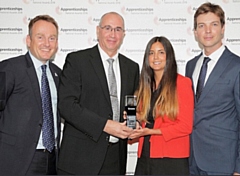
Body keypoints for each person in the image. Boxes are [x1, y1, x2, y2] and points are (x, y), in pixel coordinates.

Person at [57, 12, 140, 175]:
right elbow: (66, 106)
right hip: (80, 159)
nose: (112, 34)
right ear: (98, 30)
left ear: (123, 34)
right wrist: (106, 125)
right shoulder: (77, 60)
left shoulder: (132, 67)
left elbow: (130, 104)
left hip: (115, 159)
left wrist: (132, 123)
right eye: (107, 28)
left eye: (118, 29)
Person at [0, 15, 61, 175]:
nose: (47, 43)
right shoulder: (9, 68)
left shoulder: (58, 74)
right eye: (40, 37)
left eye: (52, 38)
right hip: (16, 160)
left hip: (52, 159)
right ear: (28, 40)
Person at [185, 2, 240, 175]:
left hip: (224, 162)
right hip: (192, 159)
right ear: (195, 32)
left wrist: (239, 167)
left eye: (214, 24)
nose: (207, 30)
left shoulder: (236, 66)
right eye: (202, 25)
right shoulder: (190, 65)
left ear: (223, 28)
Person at [128, 36, 194, 175]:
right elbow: (147, 121)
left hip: (171, 159)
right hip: (145, 155)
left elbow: (185, 126)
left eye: (161, 52)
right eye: (151, 53)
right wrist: (137, 119)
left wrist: (151, 132)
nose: (155, 57)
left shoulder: (181, 83)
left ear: (168, 56)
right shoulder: (144, 87)